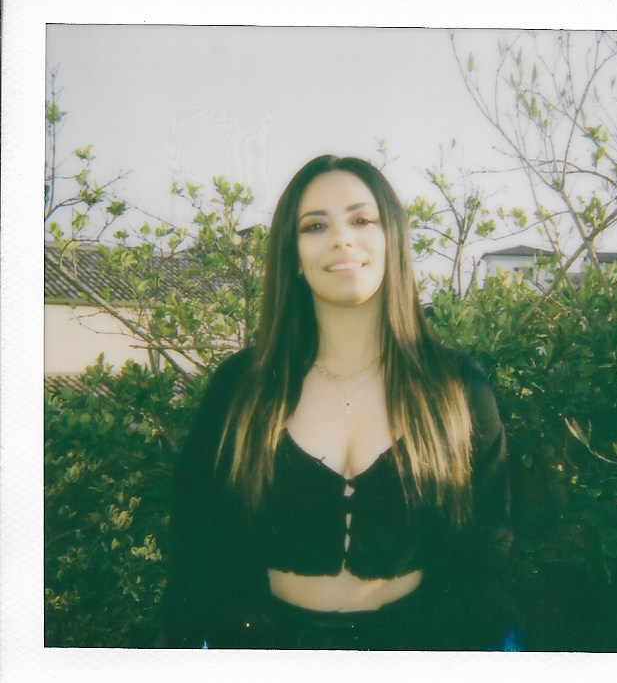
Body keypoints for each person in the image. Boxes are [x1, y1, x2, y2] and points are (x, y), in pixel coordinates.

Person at [164, 154, 522, 650]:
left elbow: (487, 550)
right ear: (293, 255)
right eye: (315, 226)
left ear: (392, 238)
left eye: (361, 219)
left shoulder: (457, 386)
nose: (341, 239)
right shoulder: (240, 386)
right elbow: (196, 544)